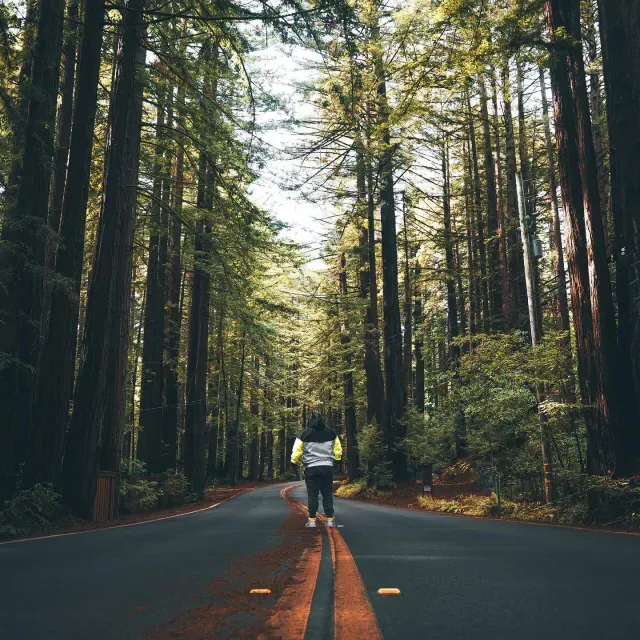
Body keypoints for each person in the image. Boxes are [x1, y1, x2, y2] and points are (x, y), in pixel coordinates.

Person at [291, 412, 342, 528]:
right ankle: (330, 520)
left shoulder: (304, 433)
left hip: (311, 469)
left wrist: (293, 462)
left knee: (312, 494)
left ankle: (312, 520)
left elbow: (296, 450)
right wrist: (337, 461)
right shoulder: (331, 433)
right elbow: (338, 449)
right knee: (327, 494)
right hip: (327, 468)